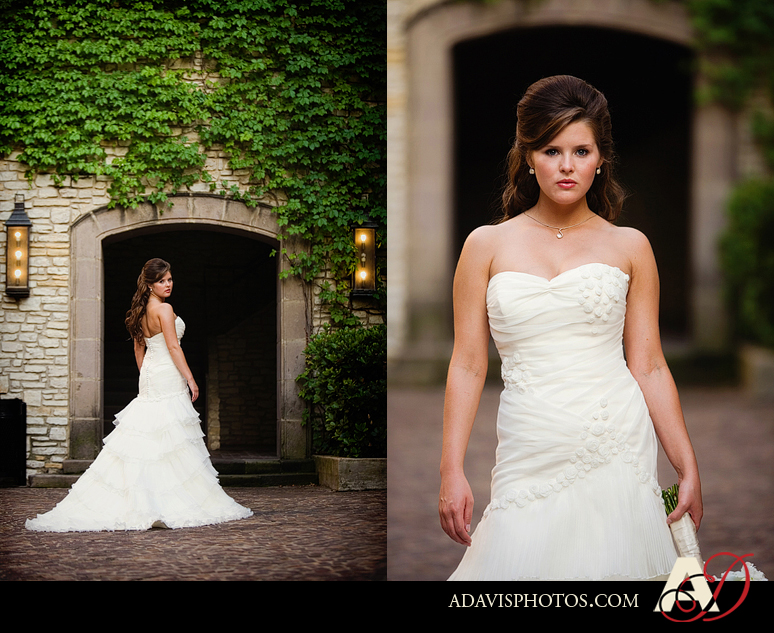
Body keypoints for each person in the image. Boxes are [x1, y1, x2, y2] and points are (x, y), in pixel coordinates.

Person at [439, 76, 702, 581]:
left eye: (581, 150)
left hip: (614, 435)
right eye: (551, 149)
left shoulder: (630, 246)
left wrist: (686, 466)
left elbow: (648, 364)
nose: (566, 165)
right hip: (528, 439)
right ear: (528, 155)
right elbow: (469, 364)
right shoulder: (485, 245)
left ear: (601, 157)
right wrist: (451, 469)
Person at [26, 258, 253, 532]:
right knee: (171, 436)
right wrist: (191, 379)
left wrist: (145, 377)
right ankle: (168, 497)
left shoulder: (140, 311)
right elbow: (173, 346)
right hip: (167, 374)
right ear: (149, 284)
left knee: (151, 435)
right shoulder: (164, 309)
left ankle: (148, 495)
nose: (168, 284)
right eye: (162, 281)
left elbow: (138, 350)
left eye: (169, 279)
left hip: (149, 374)